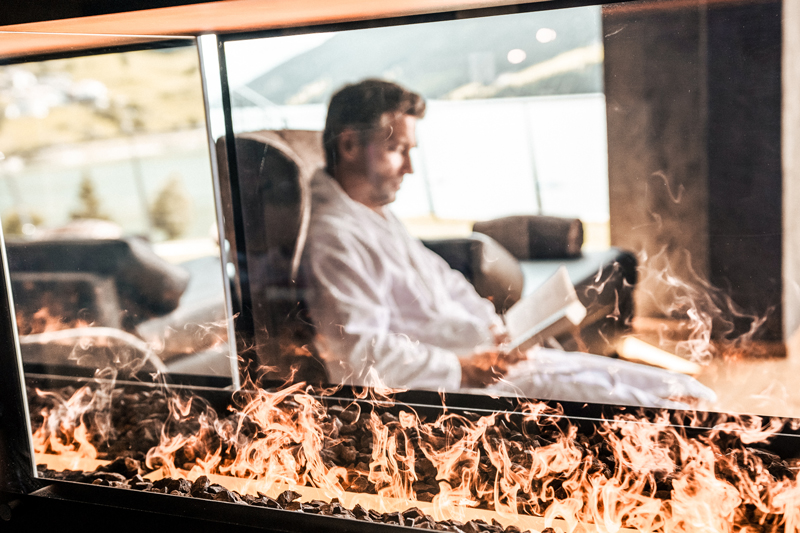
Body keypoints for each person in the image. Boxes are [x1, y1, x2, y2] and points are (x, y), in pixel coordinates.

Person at [302, 79, 716, 408]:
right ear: (350, 145)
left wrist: (495, 328)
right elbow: (360, 356)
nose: (409, 168)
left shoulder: (374, 214)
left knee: (682, 388)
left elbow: (445, 282)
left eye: (411, 151)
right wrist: (462, 367)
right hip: (453, 390)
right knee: (663, 407)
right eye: (396, 150)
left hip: (487, 358)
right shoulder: (333, 238)